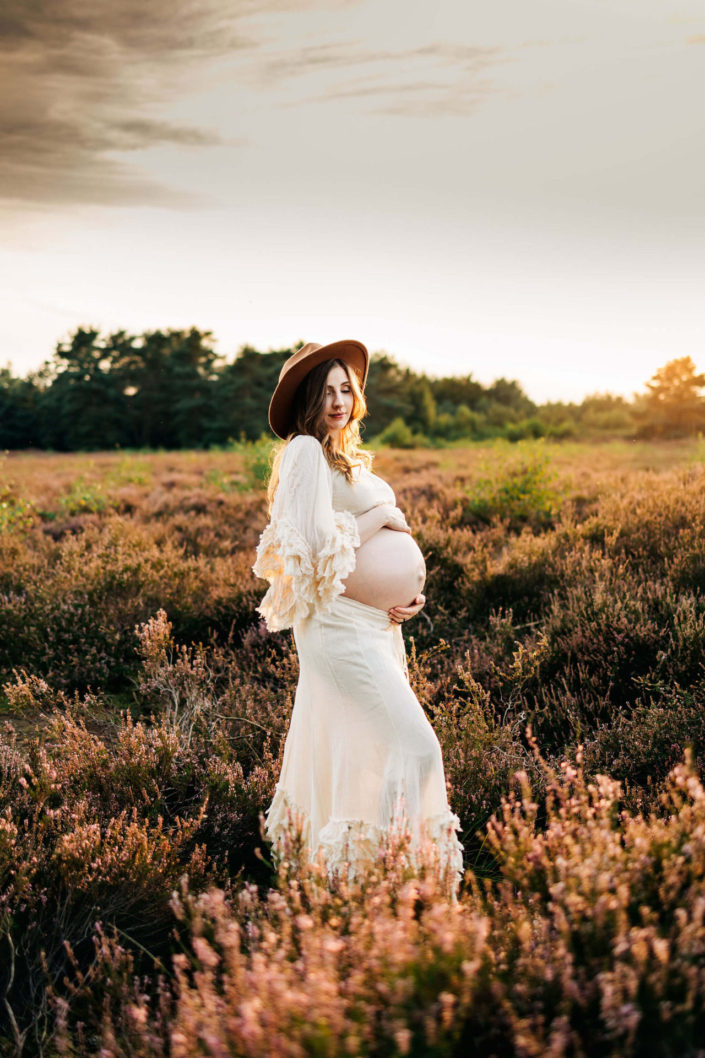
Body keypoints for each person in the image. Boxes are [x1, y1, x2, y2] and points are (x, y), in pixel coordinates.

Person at [253, 339, 463, 887]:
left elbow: (357, 551)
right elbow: (319, 549)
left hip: (376, 627)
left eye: (346, 388)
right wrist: (383, 517)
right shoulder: (303, 451)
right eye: (326, 391)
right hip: (337, 630)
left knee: (359, 749)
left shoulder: (346, 457)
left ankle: (354, 880)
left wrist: (406, 599)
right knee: (415, 744)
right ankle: (399, 873)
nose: (339, 400)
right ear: (307, 399)